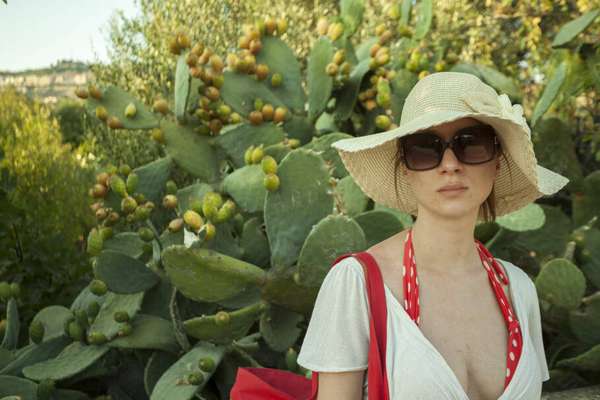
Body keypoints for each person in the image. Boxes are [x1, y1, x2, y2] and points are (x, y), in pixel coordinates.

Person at [296, 72, 568, 399]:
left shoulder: (519, 290)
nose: (450, 164)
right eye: (424, 149)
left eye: (472, 143)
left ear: (498, 161)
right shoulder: (358, 283)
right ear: (406, 168)